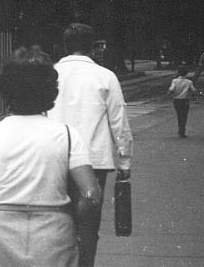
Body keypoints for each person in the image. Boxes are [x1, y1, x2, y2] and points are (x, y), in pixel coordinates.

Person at [0, 47, 102, 267]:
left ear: (6, 91)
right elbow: (91, 194)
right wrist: (74, 223)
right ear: (50, 92)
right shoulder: (67, 135)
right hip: (54, 233)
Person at [48, 23, 133, 267]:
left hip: (56, 161)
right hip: (93, 164)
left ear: (64, 46)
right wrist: (125, 161)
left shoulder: (51, 73)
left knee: (57, 225)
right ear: (93, 47)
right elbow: (119, 122)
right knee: (87, 228)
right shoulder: (106, 76)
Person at [167, 65, 198, 138]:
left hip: (176, 101)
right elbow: (194, 90)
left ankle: (180, 130)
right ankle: (182, 131)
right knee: (184, 116)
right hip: (185, 101)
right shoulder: (188, 82)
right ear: (186, 73)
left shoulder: (174, 81)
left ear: (178, 72)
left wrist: (169, 93)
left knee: (179, 115)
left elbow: (171, 89)